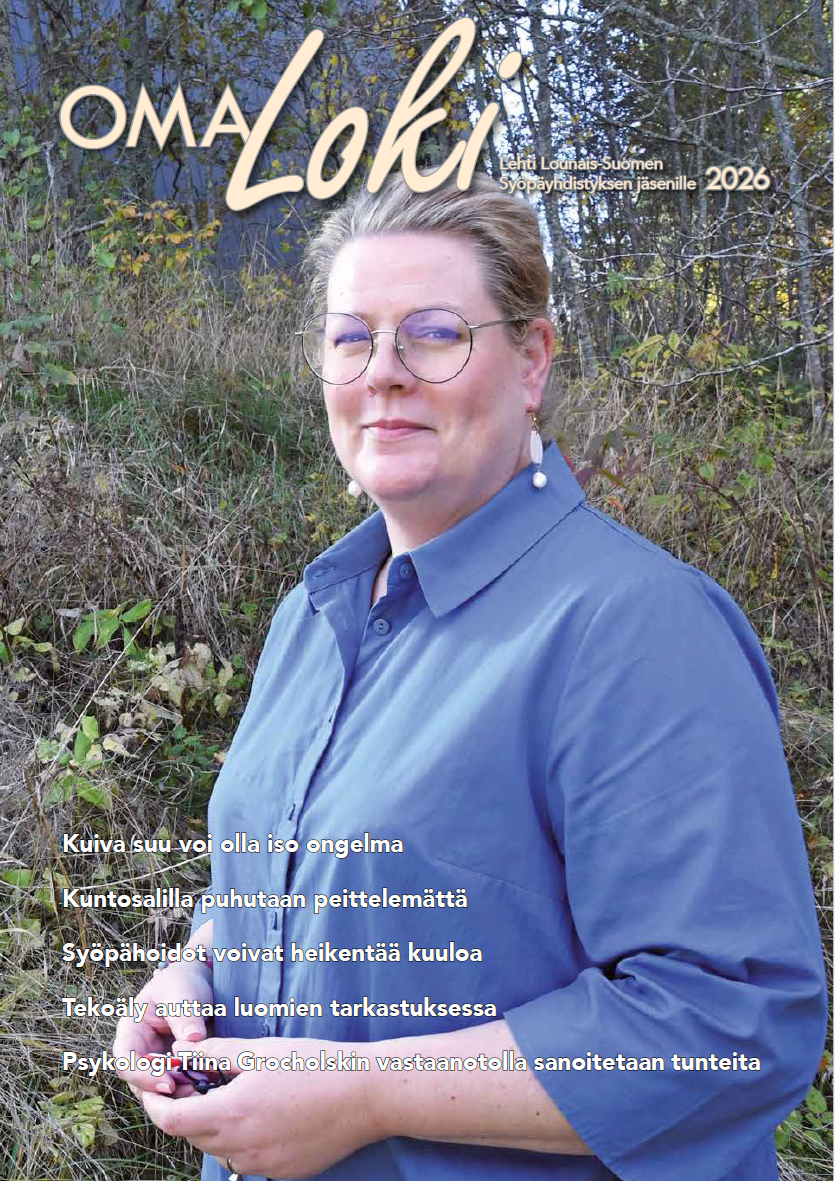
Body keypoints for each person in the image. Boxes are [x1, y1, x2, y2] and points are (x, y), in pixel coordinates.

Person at [114, 172, 827, 1181]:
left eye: (435, 333)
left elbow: (726, 1022)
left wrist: (364, 1094)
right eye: (351, 337)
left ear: (531, 360)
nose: (384, 372)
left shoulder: (635, 626)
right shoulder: (312, 615)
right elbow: (294, 876)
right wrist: (193, 974)